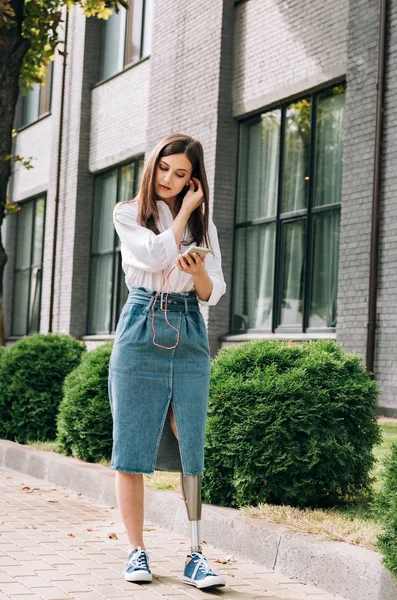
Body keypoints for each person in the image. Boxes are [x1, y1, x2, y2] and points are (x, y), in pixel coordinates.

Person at [108, 133, 227, 589]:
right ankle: (137, 552)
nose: (169, 180)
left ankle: (195, 554)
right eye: (164, 169)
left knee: (190, 437)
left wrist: (197, 272)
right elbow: (154, 254)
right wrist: (181, 215)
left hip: (189, 329)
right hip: (141, 323)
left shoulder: (205, 227)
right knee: (132, 444)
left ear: (193, 179)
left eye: (181, 175)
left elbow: (212, 292)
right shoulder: (126, 212)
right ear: (151, 165)